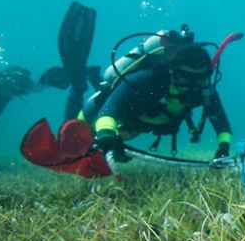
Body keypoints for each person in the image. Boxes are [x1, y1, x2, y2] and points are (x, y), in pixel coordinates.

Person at [80, 28, 233, 163]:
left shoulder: (204, 90)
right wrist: (107, 136)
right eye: (184, 80)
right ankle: (81, 88)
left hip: (140, 125)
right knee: (87, 119)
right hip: (117, 115)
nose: (190, 87)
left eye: (198, 80)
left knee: (127, 134)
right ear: (172, 72)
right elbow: (109, 109)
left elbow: (222, 125)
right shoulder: (147, 79)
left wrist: (223, 148)